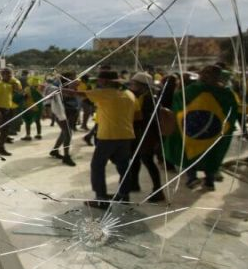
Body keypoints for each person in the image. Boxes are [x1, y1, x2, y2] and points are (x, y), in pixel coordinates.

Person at [164, 65, 238, 191]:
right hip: (214, 131)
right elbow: (232, 112)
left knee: (189, 152)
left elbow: (178, 102)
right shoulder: (226, 93)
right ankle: (209, 181)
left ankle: (192, 178)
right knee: (212, 154)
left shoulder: (191, 90)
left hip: (192, 129)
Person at [70, 70, 136, 205]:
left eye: (99, 80)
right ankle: (124, 195)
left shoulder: (105, 93)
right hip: (126, 135)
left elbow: (77, 94)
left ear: (105, 81)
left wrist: (57, 89)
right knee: (123, 166)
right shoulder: (129, 94)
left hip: (108, 136)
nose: (98, 83)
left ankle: (101, 199)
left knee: (97, 166)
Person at [127, 72, 165, 202]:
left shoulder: (149, 98)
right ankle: (134, 184)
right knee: (135, 158)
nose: (131, 86)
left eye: (134, 84)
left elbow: (147, 119)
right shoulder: (143, 96)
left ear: (142, 85)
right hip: (139, 133)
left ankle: (158, 190)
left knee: (147, 160)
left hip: (146, 134)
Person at [0, 68, 21, 156]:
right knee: (4, 130)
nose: (10, 77)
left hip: (7, 108)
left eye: (11, 75)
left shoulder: (8, 85)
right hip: (1, 109)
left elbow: (17, 89)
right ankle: (0, 148)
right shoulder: (0, 84)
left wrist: (15, 84)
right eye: (8, 75)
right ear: (3, 75)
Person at [48, 73, 78, 166]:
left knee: (64, 133)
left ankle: (55, 151)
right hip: (62, 114)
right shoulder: (59, 88)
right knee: (67, 133)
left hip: (71, 112)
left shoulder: (73, 88)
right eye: (72, 78)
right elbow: (63, 97)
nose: (76, 80)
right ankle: (66, 156)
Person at [21, 76, 43, 141]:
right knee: (38, 121)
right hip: (39, 107)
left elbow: (25, 97)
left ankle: (28, 135)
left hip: (30, 107)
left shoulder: (27, 89)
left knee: (28, 121)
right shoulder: (40, 89)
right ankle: (39, 134)